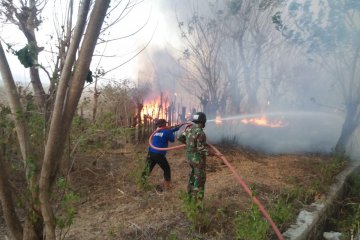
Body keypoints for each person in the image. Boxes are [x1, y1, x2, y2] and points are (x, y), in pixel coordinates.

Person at [177, 112, 212, 207]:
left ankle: (189, 199)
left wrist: (189, 143)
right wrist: (212, 153)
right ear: (203, 121)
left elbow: (179, 137)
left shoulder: (188, 129)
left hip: (189, 157)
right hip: (198, 160)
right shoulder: (200, 133)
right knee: (200, 180)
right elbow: (201, 150)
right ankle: (198, 205)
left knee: (192, 177)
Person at [141, 119, 180, 191]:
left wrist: (176, 128)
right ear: (164, 124)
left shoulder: (157, 130)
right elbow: (172, 140)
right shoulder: (167, 131)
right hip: (159, 154)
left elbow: (165, 132)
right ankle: (167, 186)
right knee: (167, 169)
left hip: (151, 152)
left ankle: (141, 184)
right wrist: (170, 131)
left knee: (148, 169)